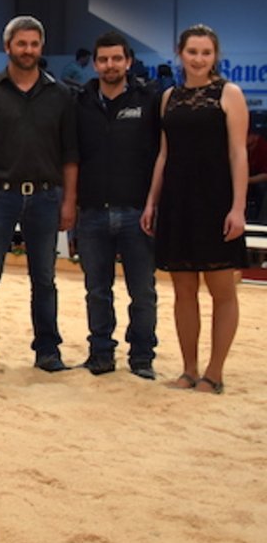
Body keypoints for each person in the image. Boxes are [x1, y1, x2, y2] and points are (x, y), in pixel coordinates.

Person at [0, 15, 77, 375]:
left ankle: (48, 351)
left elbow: (70, 155)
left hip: (45, 197)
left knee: (44, 279)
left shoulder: (62, 95)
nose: (28, 50)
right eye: (21, 43)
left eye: (34, 44)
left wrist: (69, 202)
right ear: (7, 46)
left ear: (42, 48)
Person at [141, 24, 248, 395]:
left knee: (222, 290)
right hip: (177, 202)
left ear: (215, 55)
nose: (199, 59)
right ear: (180, 53)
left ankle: (215, 372)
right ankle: (189, 369)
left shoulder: (230, 94)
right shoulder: (169, 97)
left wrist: (237, 207)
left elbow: (238, 153)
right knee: (183, 290)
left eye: (206, 52)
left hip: (216, 202)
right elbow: (164, 154)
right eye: (193, 52)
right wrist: (153, 201)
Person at [74, 31, 160, 379]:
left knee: (142, 292)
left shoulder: (149, 101)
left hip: (136, 211)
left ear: (128, 61)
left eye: (117, 59)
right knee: (96, 291)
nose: (110, 65)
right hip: (92, 212)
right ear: (95, 64)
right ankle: (100, 353)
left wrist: (155, 205)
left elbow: (159, 156)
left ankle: (142, 357)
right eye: (104, 59)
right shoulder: (78, 103)